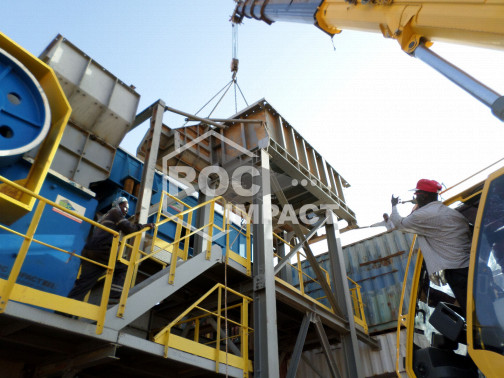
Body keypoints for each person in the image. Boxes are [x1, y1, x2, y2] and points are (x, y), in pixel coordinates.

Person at [390, 179, 472, 313]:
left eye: (417, 194)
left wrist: (394, 206)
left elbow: (399, 224)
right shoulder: (453, 213)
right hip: (471, 268)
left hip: (456, 272)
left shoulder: (422, 216)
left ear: (424, 195)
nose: (415, 197)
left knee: (472, 313)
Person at [66, 197, 155, 303]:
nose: (126, 209)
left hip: (90, 251)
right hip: (102, 252)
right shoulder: (115, 212)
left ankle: (65, 309)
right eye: (125, 206)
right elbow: (129, 229)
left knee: (85, 283)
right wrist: (144, 226)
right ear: (118, 204)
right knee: (122, 267)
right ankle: (114, 295)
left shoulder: (104, 217)